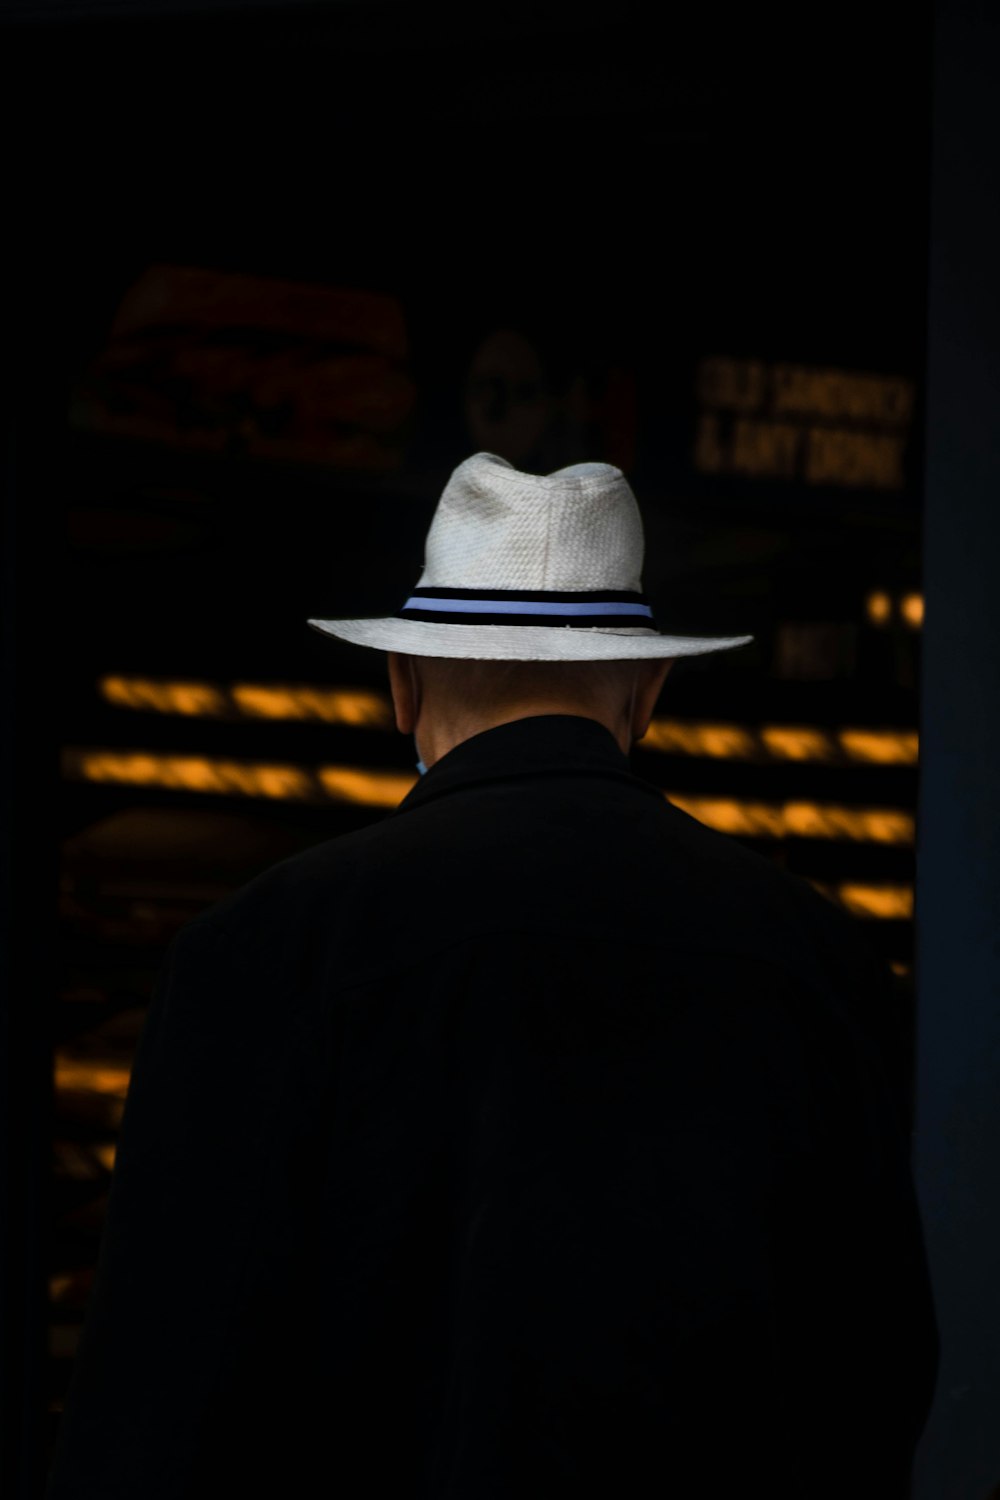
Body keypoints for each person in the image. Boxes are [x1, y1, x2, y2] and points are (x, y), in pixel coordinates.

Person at [44, 452, 938, 1499]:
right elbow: (878, 1379)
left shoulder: (262, 950)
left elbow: (156, 1404)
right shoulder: (819, 959)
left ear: (401, 682)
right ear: (648, 692)